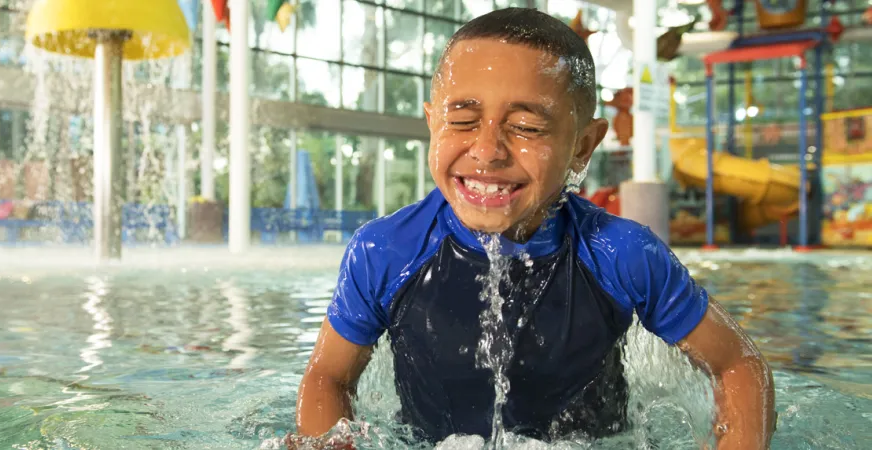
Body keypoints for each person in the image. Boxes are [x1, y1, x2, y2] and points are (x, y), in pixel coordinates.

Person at [295, 7, 776, 449]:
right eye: (462, 120)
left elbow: (739, 364)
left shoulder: (621, 254)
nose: (487, 151)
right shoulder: (386, 250)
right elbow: (328, 377)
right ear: (431, 123)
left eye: (526, 127)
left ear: (583, 146)